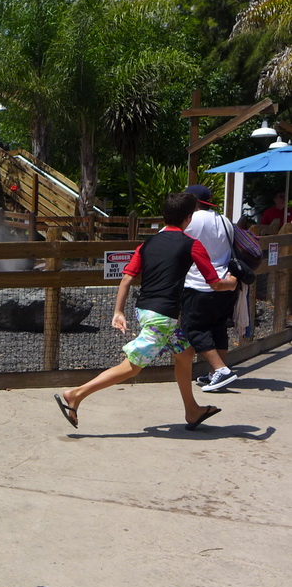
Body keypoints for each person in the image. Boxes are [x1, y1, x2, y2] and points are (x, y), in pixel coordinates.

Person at [54, 192, 238, 431]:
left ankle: (192, 410)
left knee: (185, 353)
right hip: (162, 317)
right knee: (133, 366)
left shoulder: (147, 244)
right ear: (189, 218)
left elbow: (126, 278)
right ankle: (76, 394)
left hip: (145, 310)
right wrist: (232, 282)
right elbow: (214, 283)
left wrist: (118, 311)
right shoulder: (192, 244)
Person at [182, 185, 239, 392]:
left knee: (193, 328)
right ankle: (216, 374)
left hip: (199, 283)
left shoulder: (192, 220)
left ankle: (221, 370)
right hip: (226, 282)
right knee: (218, 327)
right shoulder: (224, 220)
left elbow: (168, 236)